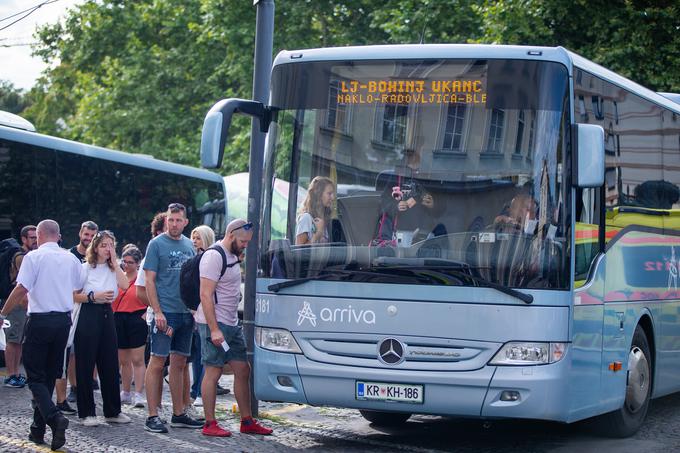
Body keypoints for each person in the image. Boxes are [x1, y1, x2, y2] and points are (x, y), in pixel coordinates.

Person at [0, 220, 83, 450]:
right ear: (58, 236)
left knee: (35, 377)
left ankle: (54, 418)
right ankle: (37, 430)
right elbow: (78, 286)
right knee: (48, 376)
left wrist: (3, 312)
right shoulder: (70, 258)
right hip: (63, 320)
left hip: (40, 319)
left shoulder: (33, 257)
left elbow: (21, 288)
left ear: (38, 235)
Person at [197, 219, 273, 437]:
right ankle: (209, 423)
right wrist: (214, 329)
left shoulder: (232, 255)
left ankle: (247, 421)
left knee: (242, 369)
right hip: (215, 323)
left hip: (231, 322)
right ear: (230, 235)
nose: (245, 245)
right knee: (213, 370)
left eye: (248, 242)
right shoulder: (214, 256)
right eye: (242, 241)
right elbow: (205, 294)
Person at [143, 203, 202, 433]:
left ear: (185, 222)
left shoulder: (190, 245)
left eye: (178, 220)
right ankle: (152, 415)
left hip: (185, 314)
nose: (174, 224)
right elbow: (149, 281)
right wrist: (157, 312)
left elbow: (194, 280)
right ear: (166, 220)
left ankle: (179, 413)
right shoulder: (156, 244)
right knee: (157, 362)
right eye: (171, 220)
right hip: (164, 313)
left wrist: (195, 310)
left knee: (180, 364)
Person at [71, 230, 131, 426]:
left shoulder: (114, 268)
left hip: (107, 313)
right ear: (95, 247)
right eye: (104, 245)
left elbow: (124, 285)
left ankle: (113, 410)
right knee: (86, 363)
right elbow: (73, 295)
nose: (108, 249)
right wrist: (92, 296)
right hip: (88, 312)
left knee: (110, 363)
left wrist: (115, 263)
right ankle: (86, 412)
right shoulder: (85, 268)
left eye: (111, 245)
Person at [61, 220, 99, 406]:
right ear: (80, 234)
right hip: (73, 306)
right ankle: (74, 387)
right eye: (86, 235)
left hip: (93, 308)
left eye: (92, 236)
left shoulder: (99, 256)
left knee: (91, 349)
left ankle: (89, 382)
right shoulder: (70, 255)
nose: (89, 239)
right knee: (73, 352)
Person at [3, 225, 37, 389]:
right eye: (32, 238)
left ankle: (16, 373)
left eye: (37, 237)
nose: (35, 241)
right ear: (23, 239)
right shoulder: (21, 257)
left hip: (23, 305)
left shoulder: (30, 256)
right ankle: (11, 375)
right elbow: (22, 284)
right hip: (16, 304)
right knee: (13, 339)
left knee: (19, 340)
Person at [113, 245, 147, 408]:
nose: (126, 265)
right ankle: (125, 392)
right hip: (119, 317)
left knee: (137, 359)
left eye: (130, 262)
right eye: (124, 262)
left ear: (138, 263)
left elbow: (151, 294)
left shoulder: (142, 278)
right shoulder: (118, 277)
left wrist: (148, 312)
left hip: (136, 317)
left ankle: (139, 393)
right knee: (123, 359)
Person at [189, 225, 215, 408]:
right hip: (194, 312)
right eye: (193, 237)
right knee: (197, 354)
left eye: (198, 238)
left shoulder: (212, 258)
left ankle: (199, 391)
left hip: (208, 312)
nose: (194, 241)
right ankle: (196, 390)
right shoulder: (193, 258)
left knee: (205, 355)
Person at [295, 176, 335, 245]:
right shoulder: (306, 218)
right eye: (329, 193)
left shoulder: (323, 219)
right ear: (318, 194)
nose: (333, 197)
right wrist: (316, 235)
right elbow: (299, 251)